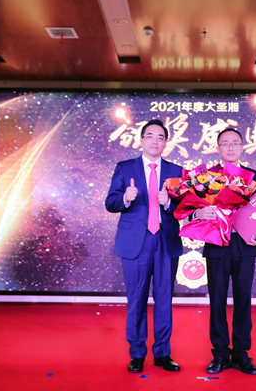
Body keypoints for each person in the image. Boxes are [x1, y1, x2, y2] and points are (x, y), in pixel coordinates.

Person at [105, 119, 183, 374]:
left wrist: (168, 204)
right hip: (135, 243)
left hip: (165, 240)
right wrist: (125, 198)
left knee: (164, 298)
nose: (155, 140)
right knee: (136, 298)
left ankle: (162, 353)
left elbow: (185, 208)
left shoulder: (177, 171)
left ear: (166, 142)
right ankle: (137, 354)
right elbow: (110, 202)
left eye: (160, 137)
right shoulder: (125, 167)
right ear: (141, 140)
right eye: (150, 136)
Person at [195, 128, 256, 375]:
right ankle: (219, 354)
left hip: (245, 245)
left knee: (243, 299)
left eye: (235, 143)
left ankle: (241, 354)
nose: (230, 147)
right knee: (217, 299)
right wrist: (198, 213)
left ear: (242, 147)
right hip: (217, 244)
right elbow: (192, 208)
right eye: (225, 143)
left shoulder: (254, 176)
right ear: (218, 148)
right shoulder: (207, 177)